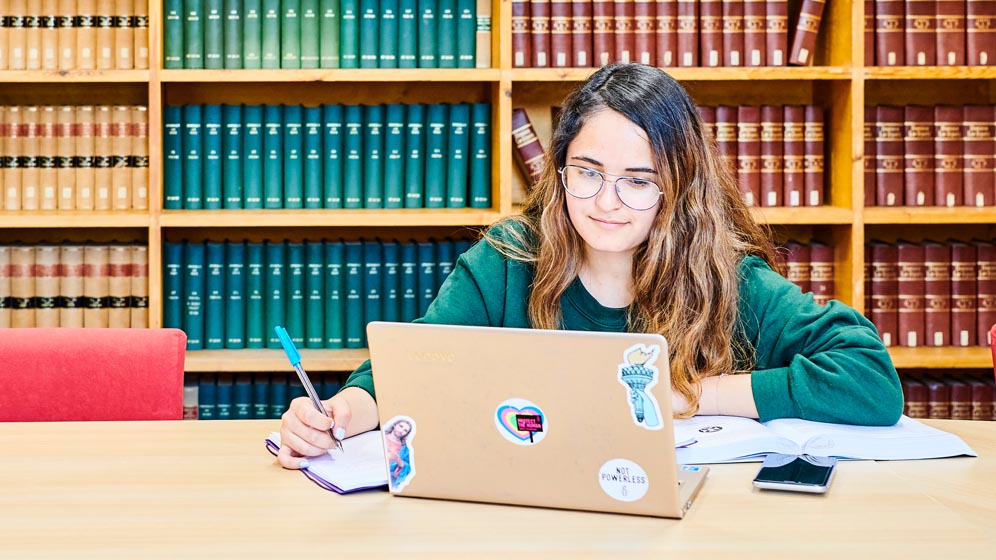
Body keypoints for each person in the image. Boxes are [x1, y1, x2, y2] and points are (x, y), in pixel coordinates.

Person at [276, 63, 904, 469]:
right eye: (589, 173)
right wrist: (338, 413)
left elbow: (870, 381)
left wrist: (697, 395)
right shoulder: (506, 262)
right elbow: (407, 367)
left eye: (638, 181)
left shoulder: (725, 279)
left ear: (677, 189)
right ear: (560, 169)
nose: (607, 202)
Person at [383, 419, 413, 489]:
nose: (401, 431)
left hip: (390, 478)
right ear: (395, 425)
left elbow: (407, 465)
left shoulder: (404, 448)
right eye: (401, 426)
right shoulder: (382, 437)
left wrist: (400, 467)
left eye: (405, 430)